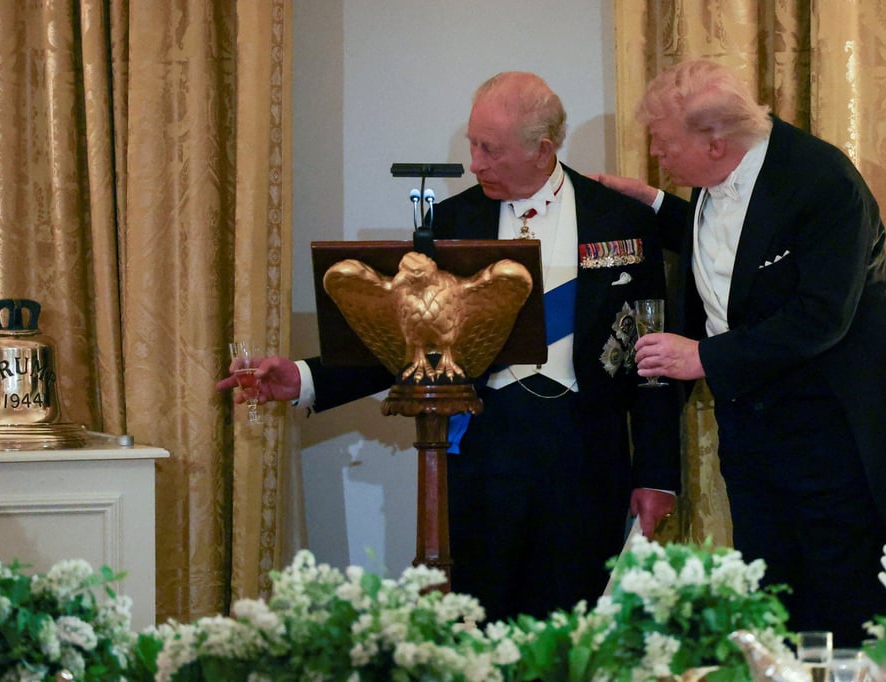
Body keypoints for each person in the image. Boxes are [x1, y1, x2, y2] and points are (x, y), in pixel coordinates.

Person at [218, 71, 681, 623]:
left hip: (586, 455)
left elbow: (653, 358)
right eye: (472, 143)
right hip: (482, 448)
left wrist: (657, 474)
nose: (475, 162)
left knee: (574, 628)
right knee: (477, 622)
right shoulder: (454, 221)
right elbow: (406, 339)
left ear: (543, 149)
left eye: (490, 149)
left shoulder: (620, 218)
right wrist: (304, 377)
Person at [593, 59, 886, 646]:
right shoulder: (711, 182)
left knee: (841, 607)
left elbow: (820, 316)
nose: (657, 154)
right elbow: (741, 251)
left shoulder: (824, 182)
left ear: (716, 143)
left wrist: (703, 358)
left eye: (664, 143)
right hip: (756, 434)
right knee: (771, 605)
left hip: (839, 437)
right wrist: (655, 205)